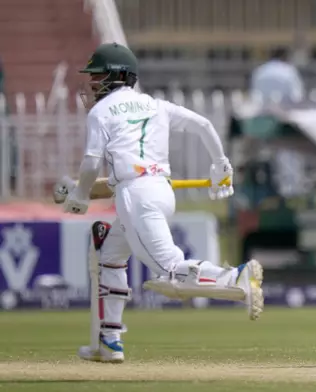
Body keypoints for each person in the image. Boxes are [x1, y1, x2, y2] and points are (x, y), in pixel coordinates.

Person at [61, 43, 264, 363]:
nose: (92, 84)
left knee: (170, 273)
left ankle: (237, 278)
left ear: (117, 76)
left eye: (98, 77)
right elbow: (204, 126)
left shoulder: (101, 112)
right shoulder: (156, 105)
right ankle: (108, 341)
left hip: (136, 196)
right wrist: (220, 163)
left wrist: (78, 196)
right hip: (160, 191)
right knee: (109, 253)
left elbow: (90, 163)